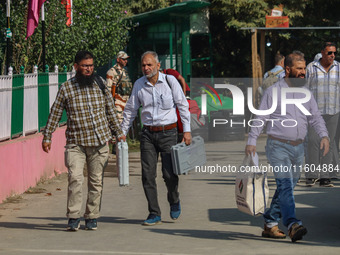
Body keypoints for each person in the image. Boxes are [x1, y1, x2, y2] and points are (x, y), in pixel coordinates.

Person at [245, 51, 329, 242]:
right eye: (299, 69)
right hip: (278, 146)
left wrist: (324, 135)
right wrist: (251, 141)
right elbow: (261, 118)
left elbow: (315, 117)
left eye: (304, 69)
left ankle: (270, 223)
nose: (303, 73)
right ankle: (292, 224)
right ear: (288, 69)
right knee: (285, 185)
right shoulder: (273, 91)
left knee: (287, 187)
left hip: (299, 148)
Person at [42, 50, 126, 231]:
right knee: (75, 179)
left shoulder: (100, 84)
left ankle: (92, 216)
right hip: (76, 144)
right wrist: (47, 136)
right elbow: (55, 113)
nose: (89, 69)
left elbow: (110, 110)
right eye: (85, 66)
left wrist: (118, 132)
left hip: (98, 142)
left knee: (96, 181)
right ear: (76, 67)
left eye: (91, 66)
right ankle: (73, 216)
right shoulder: (66, 88)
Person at [121, 51, 191, 226]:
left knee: (169, 175)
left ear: (158, 66)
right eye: (143, 65)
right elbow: (130, 110)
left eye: (149, 64)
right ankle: (154, 213)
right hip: (148, 135)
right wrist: (123, 132)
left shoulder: (170, 81)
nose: (146, 68)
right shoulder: (139, 85)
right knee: (147, 175)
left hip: (169, 133)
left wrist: (187, 131)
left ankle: (174, 199)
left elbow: (182, 105)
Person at [305, 42, 340, 187]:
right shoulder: (311, 68)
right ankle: (311, 175)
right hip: (315, 112)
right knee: (313, 141)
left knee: (329, 143)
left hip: (333, 111)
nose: (332, 56)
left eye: (334, 53)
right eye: (329, 53)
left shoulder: (338, 68)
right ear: (322, 53)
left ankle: (325, 177)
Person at [106, 51, 133, 123]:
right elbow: (108, 90)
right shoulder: (112, 72)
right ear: (118, 59)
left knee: (126, 124)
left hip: (126, 102)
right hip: (117, 102)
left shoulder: (125, 72)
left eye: (126, 59)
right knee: (119, 123)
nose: (125, 61)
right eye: (123, 59)